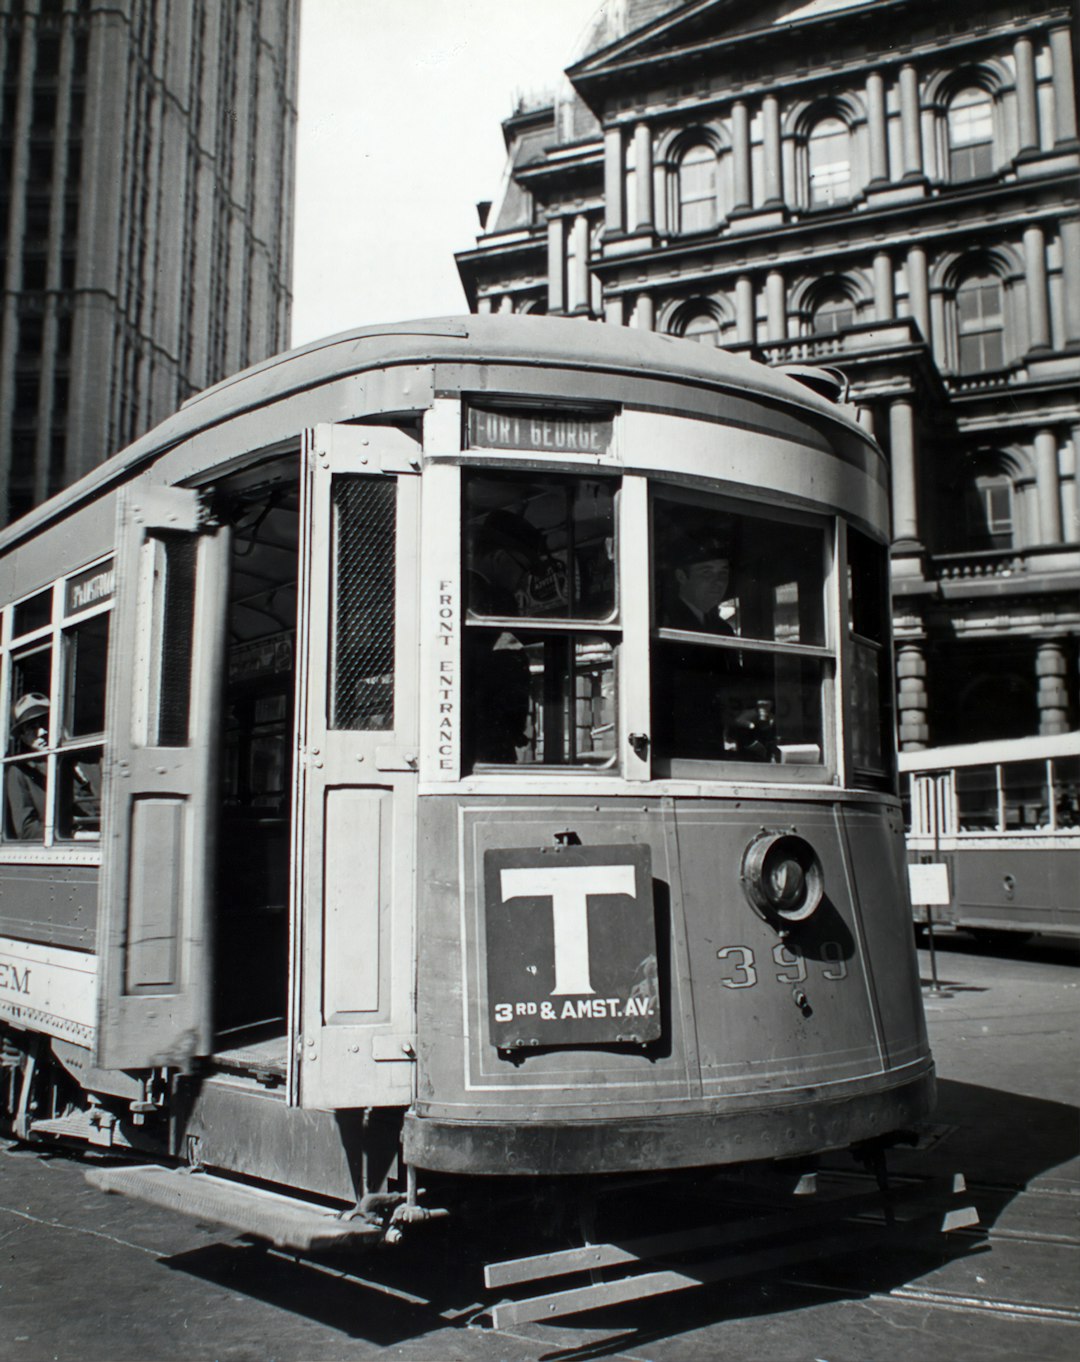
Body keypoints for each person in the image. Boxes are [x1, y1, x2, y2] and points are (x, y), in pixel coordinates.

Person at [465, 509, 546, 762]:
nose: (524, 582)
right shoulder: (494, 599)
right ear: (500, 558)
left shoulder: (466, 589)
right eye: (524, 570)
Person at [6, 692, 49, 840]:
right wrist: (71, 833)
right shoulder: (20, 772)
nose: (42, 732)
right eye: (32, 728)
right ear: (24, 738)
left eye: (45, 722)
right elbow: (26, 829)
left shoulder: (86, 762)